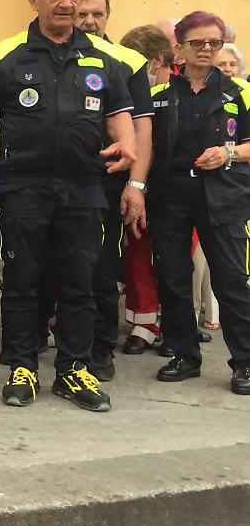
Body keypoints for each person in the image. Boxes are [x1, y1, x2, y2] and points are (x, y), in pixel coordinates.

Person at [0, 0, 137, 413]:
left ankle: (73, 369)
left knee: (80, 281)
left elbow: (118, 114)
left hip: (85, 188)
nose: (67, 4)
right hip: (24, 187)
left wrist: (126, 146)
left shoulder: (104, 59)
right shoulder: (5, 55)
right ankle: (22, 365)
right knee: (22, 279)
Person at [146, 11, 250, 396]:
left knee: (231, 279)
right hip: (170, 195)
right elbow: (145, 147)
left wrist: (228, 152)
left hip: (223, 194)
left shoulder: (241, 92)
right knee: (173, 278)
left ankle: (245, 361)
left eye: (215, 43)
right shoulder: (158, 95)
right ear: (179, 48)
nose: (207, 49)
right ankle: (184, 354)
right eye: (198, 43)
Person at [74, 0, 156, 383]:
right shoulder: (55, 54)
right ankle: (48, 339)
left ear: (108, 16)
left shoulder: (127, 61)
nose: (90, 21)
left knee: (102, 265)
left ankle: (101, 347)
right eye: (83, 14)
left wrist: (136, 186)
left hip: (107, 181)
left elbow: (142, 128)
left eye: (98, 14)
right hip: (59, 180)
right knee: (55, 264)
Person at [117, 25, 173, 355]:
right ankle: (144, 322)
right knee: (138, 253)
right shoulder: (131, 93)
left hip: (173, 188)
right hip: (138, 185)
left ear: (156, 61)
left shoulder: (177, 92)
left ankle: (177, 322)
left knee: (175, 260)